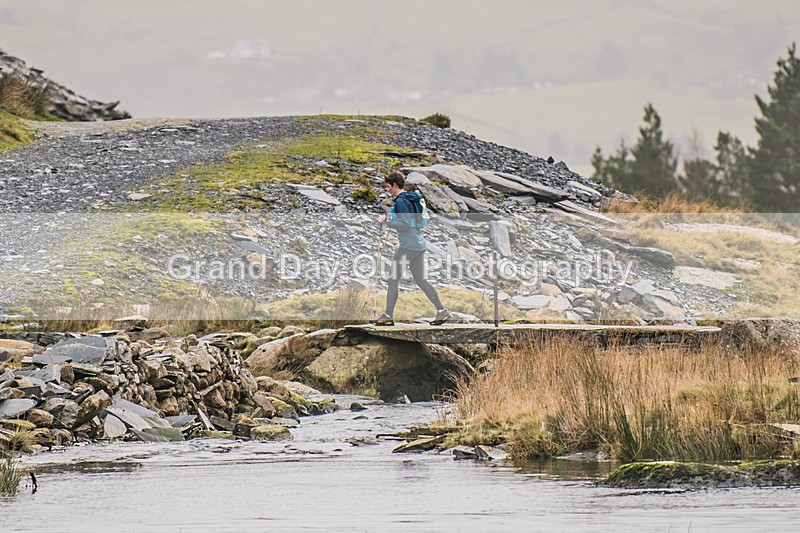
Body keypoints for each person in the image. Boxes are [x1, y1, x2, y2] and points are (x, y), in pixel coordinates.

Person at [370, 171, 452, 326]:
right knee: (420, 280)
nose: (387, 190)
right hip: (418, 245)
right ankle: (442, 311)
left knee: (392, 279)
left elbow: (405, 224)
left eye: (388, 186)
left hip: (408, 246)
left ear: (395, 185)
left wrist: (386, 221)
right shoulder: (409, 197)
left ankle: (387, 316)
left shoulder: (401, 201)